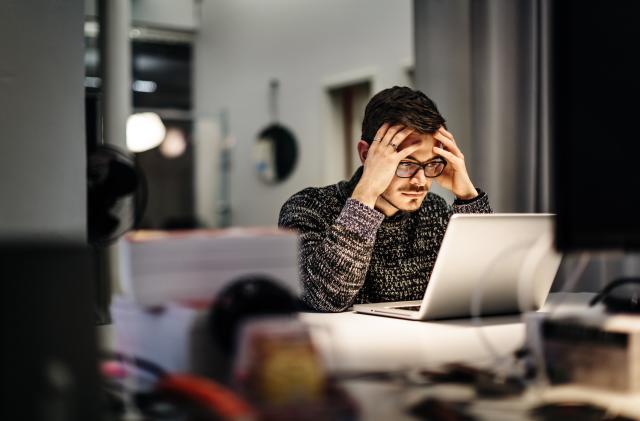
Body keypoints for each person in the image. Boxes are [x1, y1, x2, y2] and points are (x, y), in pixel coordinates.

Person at [278, 86, 492, 312]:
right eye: (406, 163)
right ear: (365, 154)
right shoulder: (308, 207)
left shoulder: (436, 211)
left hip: (425, 344)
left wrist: (468, 197)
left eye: (431, 164)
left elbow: (486, 284)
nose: (420, 181)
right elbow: (327, 299)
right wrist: (367, 192)